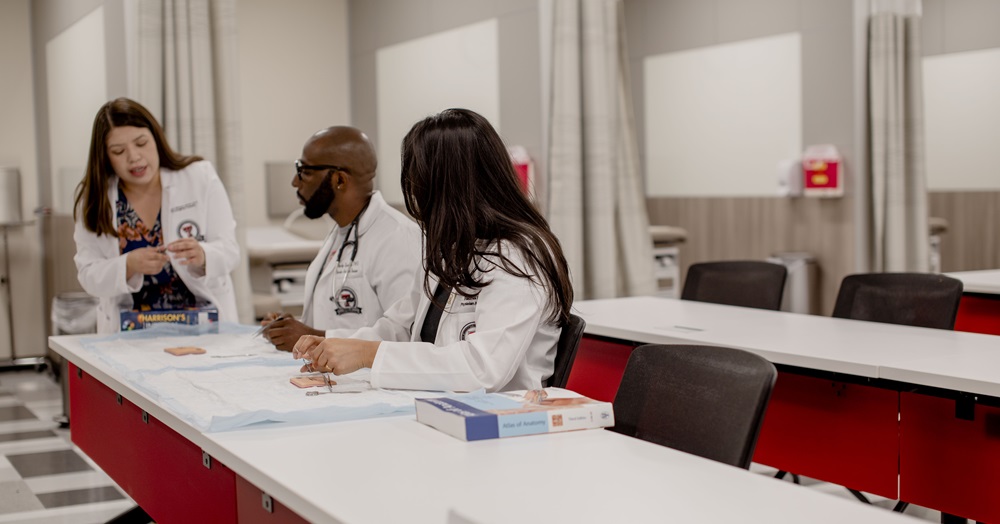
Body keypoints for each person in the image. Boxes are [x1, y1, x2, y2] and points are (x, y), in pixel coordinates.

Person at [293, 108, 574, 393]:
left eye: (421, 188)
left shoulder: (518, 257)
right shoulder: (452, 251)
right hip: (439, 408)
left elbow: (483, 368)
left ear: (449, 188)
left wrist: (370, 355)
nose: (417, 201)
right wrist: (338, 344)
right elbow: (400, 326)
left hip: (503, 422)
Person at [73, 98, 239, 333]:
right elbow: (88, 275)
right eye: (118, 151)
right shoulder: (96, 199)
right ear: (105, 156)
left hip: (205, 328)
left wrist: (203, 255)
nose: (134, 157)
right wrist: (127, 265)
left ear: (156, 138)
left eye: (141, 143)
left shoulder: (199, 177)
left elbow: (231, 252)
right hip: (130, 333)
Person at [259, 127, 421, 351]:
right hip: (333, 378)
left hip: (372, 382)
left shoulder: (399, 240)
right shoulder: (342, 231)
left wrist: (313, 336)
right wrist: (292, 328)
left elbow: (408, 336)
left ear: (340, 180)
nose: (295, 182)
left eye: (304, 171)